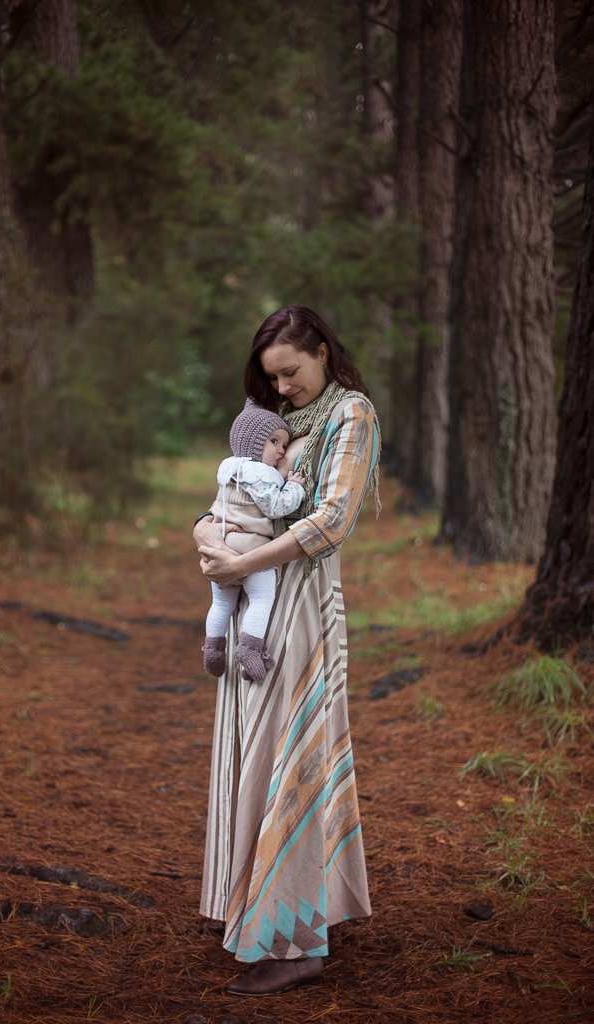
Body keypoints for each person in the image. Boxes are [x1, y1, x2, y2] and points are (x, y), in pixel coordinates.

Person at [193, 305, 381, 997]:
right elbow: (233, 492)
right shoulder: (277, 424)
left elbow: (331, 520)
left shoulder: (348, 416)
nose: (282, 389)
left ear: (323, 352)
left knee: (290, 755)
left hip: (300, 609)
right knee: (251, 750)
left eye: (291, 373)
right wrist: (206, 537)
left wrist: (241, 566)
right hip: (254, 605)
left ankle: (296, 938)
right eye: (271, 379)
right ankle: (251, 906)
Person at [202, 401, 306, 682]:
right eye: (274, 441)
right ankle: (249, 650)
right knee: (261, 598)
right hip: (250, 545)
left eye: (284, 444)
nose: (282, 451)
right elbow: (275, 507)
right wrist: (295, 487)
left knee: (221, 604)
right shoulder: (260, 474)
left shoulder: (229, 471)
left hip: (221, 545)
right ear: (252, 444)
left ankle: (213, 648)